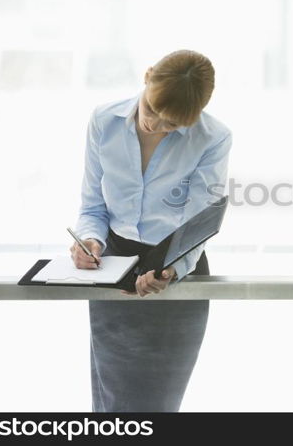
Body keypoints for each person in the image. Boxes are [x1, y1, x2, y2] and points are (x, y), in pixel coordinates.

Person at [70, 49, 232, 412]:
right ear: (146, 77)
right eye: (152, 112)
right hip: (113, 269)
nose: (156, 126)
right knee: (112, 402)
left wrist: (170, 269)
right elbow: (93, 205)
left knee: (158, 406)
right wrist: (91, 240)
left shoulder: (213, 138)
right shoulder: (103, 121)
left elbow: (200, 219)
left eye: (172, 125)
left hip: (175, 268)